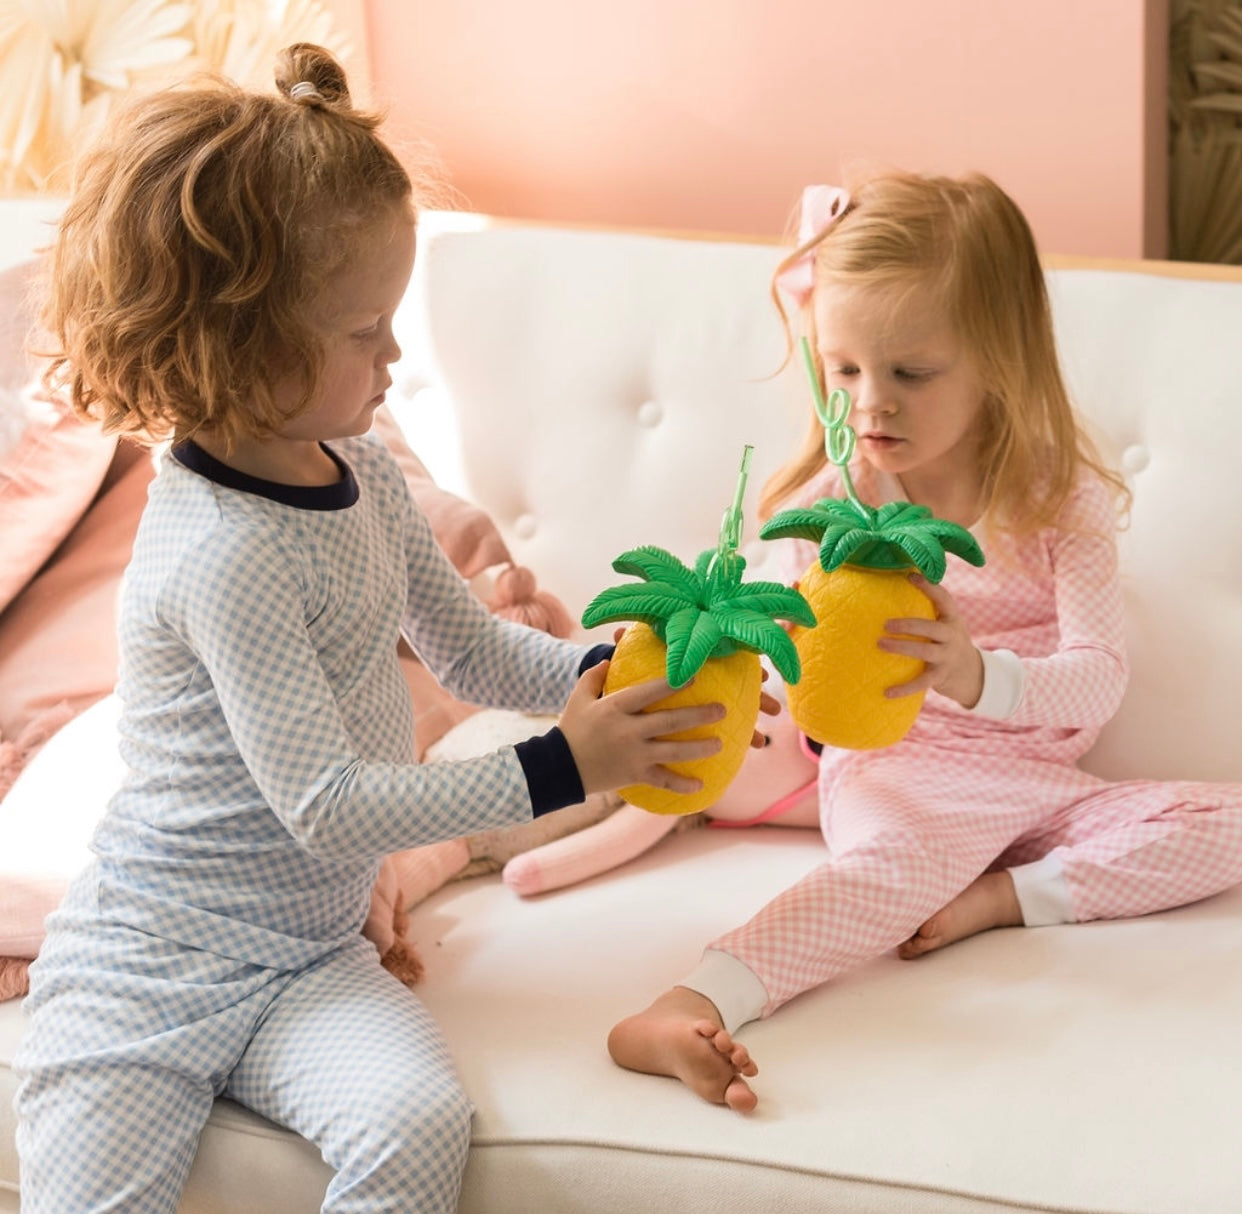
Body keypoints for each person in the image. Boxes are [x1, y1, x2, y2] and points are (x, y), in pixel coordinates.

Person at [12, 45, 728, 1214]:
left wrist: (608, 673)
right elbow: (329, 803)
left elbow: (473, 653)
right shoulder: (219, 549)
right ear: (239, 340)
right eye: (363, 332)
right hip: (148, 968)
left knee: (415, 1123)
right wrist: (563, 763)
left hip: (307, 959)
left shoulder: (361, 473)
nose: (394, 359)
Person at [606, 169, 1242, 1113]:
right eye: (846, 368)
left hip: (1033, 788)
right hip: (898, 768)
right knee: (884, 874)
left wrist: (980, 676)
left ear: (1000, 361)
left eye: (911, 372)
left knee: (1226, 822)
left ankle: (999, 901)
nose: (871, 403)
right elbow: (764, 628)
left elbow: (1098, 677)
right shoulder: (835, 507)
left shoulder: (1058, 504)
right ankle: (687, 1004)